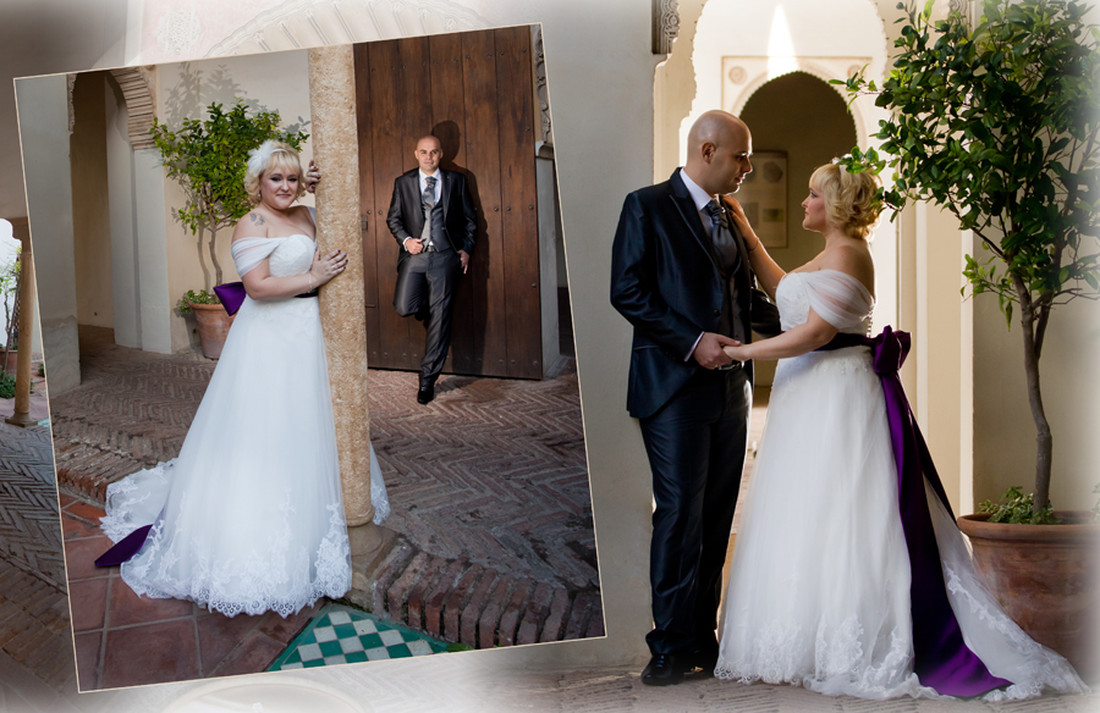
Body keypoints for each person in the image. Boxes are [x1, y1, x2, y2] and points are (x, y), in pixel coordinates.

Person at [713, 161, 1086, 699]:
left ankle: (856, 639)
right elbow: (786, 293)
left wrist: (742, 352)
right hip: (810, 398)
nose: (805, 203)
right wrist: (748, 235)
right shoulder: (832, 253)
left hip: (836, 396)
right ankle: (805, 635)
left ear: (834, 206)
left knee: (846, 513)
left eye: (813, 195)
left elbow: (814, 334)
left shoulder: (849, 256)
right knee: (808, 509)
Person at [99, 140, 389, 618]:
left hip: (308, 335)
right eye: (275, 178)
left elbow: (318, 218)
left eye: (293, 178)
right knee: (265, 428)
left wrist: (317, 189)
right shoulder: (250, 223)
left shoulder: (307, 215)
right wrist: (313, 277)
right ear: (257, 182)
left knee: (310, 423)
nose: (285, 186)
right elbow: (257, 287)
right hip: (269, 337)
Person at [610, 110, 781, 686]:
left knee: (715, 515)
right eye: (741, 158)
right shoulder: (646, 206)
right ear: (707, 151)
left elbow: (747, 301)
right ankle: (668, 645)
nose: (747, 169)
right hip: (673, 388)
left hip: (733, 391)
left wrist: (819, 322)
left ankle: (701, 640)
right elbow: (626, 290)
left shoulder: (731, 216)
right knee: (680, 513)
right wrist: (692, 343)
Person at [386, 134, 478, 405]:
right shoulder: (402, 183)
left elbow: (472, 220)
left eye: (434, 152)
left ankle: (427, 380)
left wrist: (467, 249)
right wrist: (406, 241)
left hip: (445, 257)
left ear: (441, 154)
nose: (429, 157)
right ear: (416, 154)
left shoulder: (457, 181)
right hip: (415, 257)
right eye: (424, 152)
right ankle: (428, 304)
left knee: (440, 318)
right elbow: (394, 218)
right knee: (404, 306)